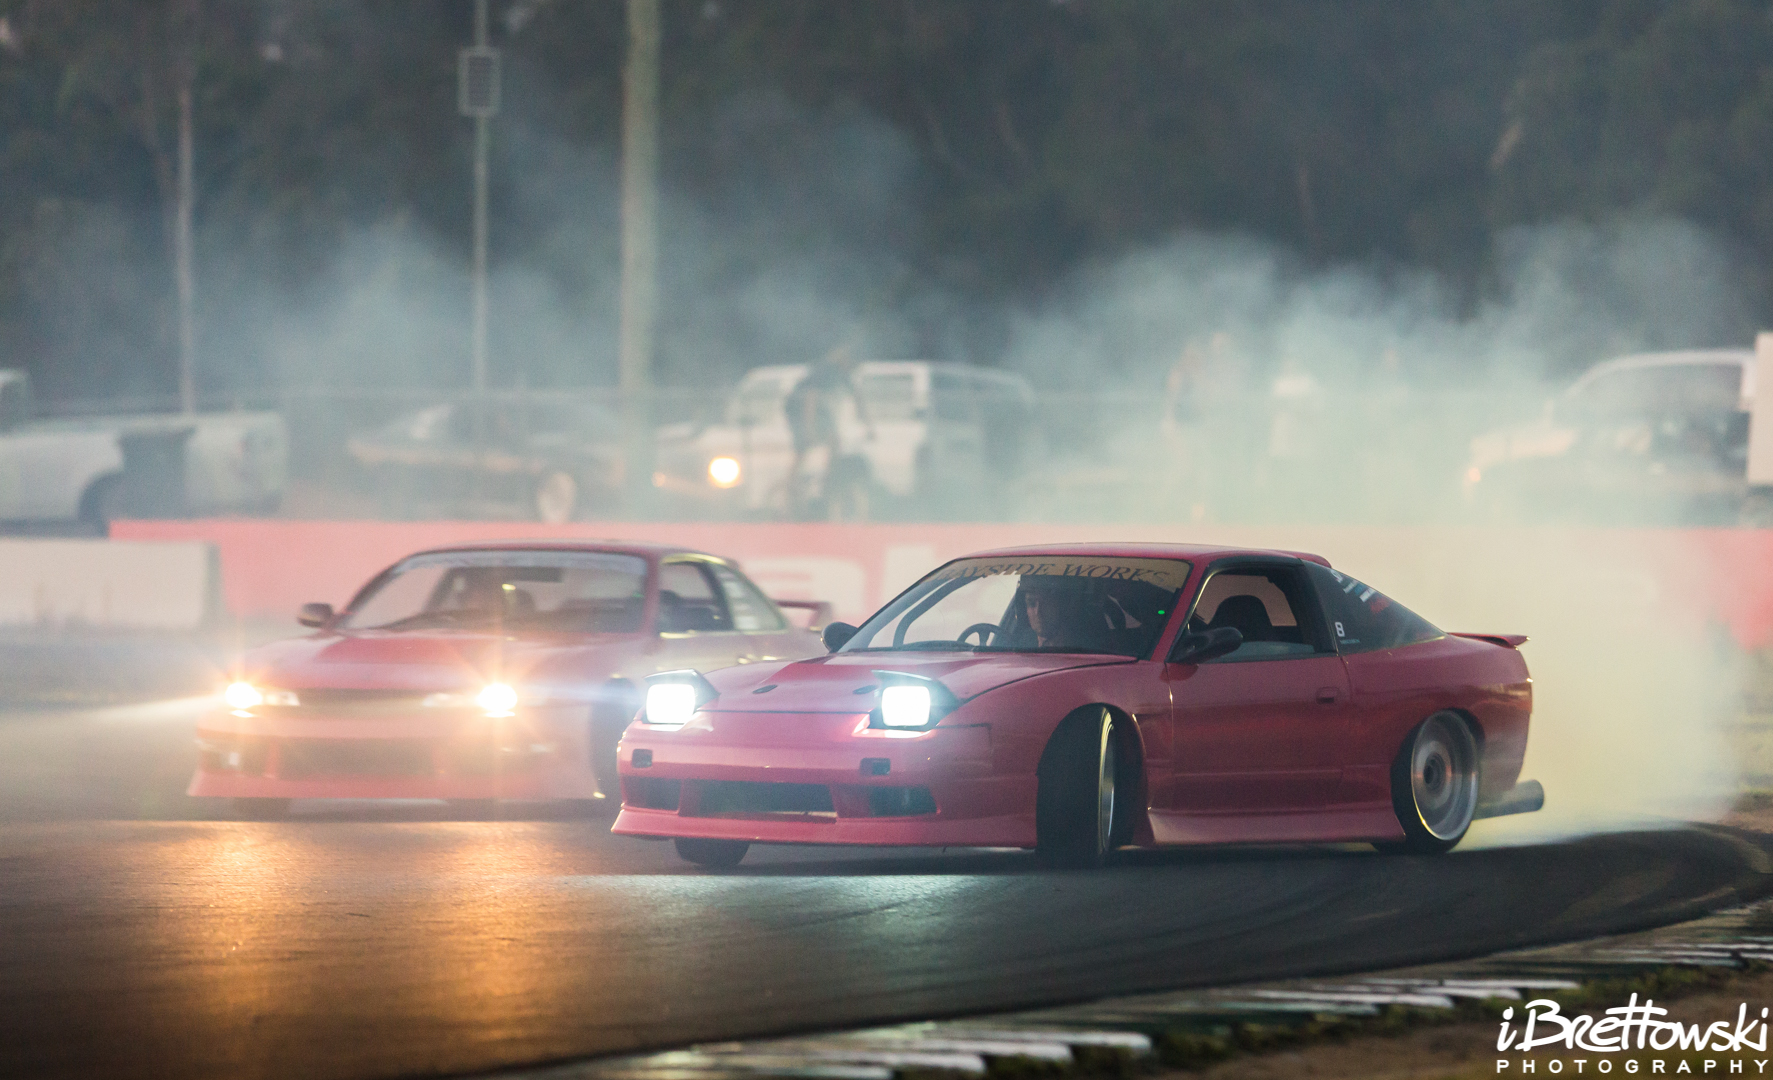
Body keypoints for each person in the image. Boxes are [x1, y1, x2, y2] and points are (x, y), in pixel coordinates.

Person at [783, 343, 870, 516]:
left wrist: (868, 426)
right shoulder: (826, 370)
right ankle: (790, 484)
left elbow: (857, 398)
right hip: (797, 406)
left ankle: (827, 475)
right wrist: (809, 428)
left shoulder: (844, 374)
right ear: (845, 360)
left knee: (834, 439)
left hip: (819, 408)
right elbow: (810, 399)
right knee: (803, 445)